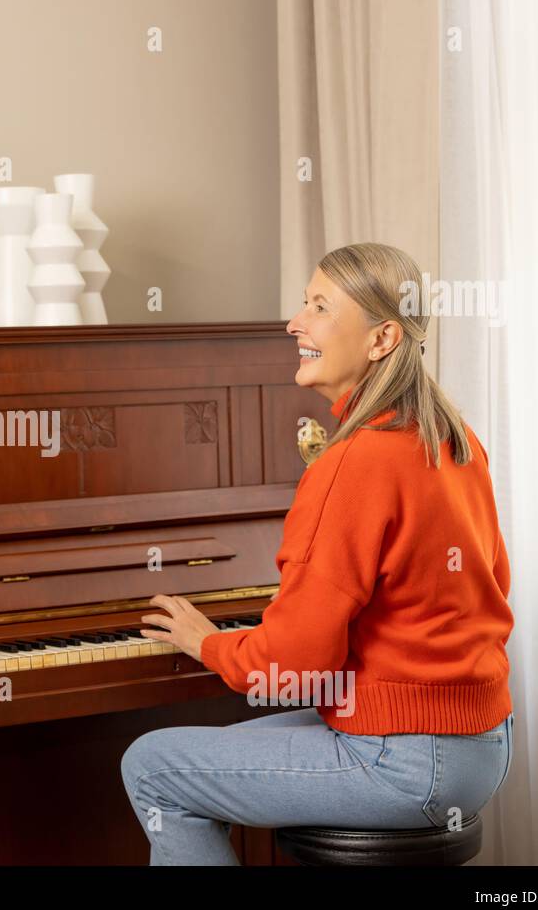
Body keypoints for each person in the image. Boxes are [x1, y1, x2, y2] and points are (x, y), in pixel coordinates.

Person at [122, 243, 515, 865]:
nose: (294, 322)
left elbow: (299, 663)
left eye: (320, 307)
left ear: (381, 337)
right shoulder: (454, 438)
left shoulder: (354, 460)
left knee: (152, 767)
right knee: (209, 752)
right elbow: (490, 582)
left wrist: (209, 643)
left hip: (406, 763)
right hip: (483, 747)